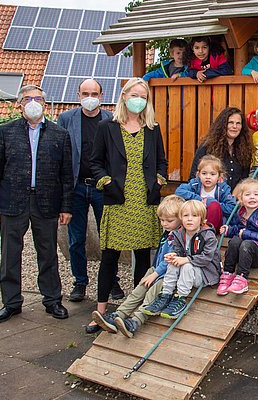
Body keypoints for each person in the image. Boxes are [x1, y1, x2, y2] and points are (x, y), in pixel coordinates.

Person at [0, 84, 73, 324]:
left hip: (46, 202)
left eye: (38, 99)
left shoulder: (59, 134)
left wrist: (66, 207)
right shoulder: (6, 132)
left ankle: (52, 300)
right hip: (12, 202)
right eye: (27, 99)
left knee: (47, 253)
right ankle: (11, 302)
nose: (33, 102)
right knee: (10, 253)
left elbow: (66, 174)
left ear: (45, 103)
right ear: (19, 104)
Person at [88, 77, 167, 331]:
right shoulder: (107, 127)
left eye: (143, 96)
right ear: (124, 96)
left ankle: (131, 312)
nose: (138, 100)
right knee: (109, 257)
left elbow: (161, 162)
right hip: (118, 201)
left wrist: (158, 182)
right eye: (134, 95)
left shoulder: (152, 128)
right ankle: (99, 313)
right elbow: (95, 163)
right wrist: (107, 183)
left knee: (143, 258)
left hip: (144, 203)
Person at [57, 78, 122, 303]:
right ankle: (80, 281)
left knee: (109, 236)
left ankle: (112, 280)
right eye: (85, 93)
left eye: (94, 93)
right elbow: (61, 155)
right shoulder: (66, 119)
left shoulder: (112, 120)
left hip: (101, 188)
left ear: (102, 96)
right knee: (76, 238)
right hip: (76, 187)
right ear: (78, 96)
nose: (90, 98)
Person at [90, 195, 184, 337]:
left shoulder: (179, 237)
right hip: (158, 271)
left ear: (181, 219)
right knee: (139, 289)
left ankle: (135, 321)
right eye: (162, 220)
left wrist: (155, 274)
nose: (164, 224)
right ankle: (119, 315)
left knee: (151, 294)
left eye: (169, 221)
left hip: (169, 276)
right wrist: (153, 271)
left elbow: (170, 260)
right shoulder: (168, 233)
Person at [143, 200, 221, 319]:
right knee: (173, 262)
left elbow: (206, 258)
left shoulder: (208, 236)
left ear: (202, 219)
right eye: (186, 216)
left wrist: (186, 259)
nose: (189, 219)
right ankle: (166, 294)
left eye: (194, 216)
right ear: (181, 218)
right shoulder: (180, 233)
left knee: (186, 265)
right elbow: (178, 250)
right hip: (187, 273)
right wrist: (173, 255)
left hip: (205, 274)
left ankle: (181, 298)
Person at [217, 179, 258, 296]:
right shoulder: (241, 212)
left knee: (246, 243)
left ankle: (242, 279)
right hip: (244, 254)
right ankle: (228, 273)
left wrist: (246, 234)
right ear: (241, 199)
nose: (252, 197)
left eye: (256, 194)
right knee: (234, 241)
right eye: (248, 195)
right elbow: (238, 229)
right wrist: (229, 230)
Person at [189, 107, 252, 190]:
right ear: (223, 125)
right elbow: (194, 176)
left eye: (238, 123)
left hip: (234, 199)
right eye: (230, 122)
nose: (234, 126)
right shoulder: (207, 147)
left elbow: (244, 179)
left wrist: (232, 198)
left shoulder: (245, 149)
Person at [175, 155, 236, 232]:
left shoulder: (223, 188)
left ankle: (206, 232)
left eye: (212, 174)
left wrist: (210, 202)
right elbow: (179, 191)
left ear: (219, 176)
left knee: (214, 205)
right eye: (204, 173)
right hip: (195, 222)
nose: (208, 177)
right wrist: (199, 200)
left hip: (214, 225)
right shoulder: (195, 184)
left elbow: (231, 208)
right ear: (199, 174)